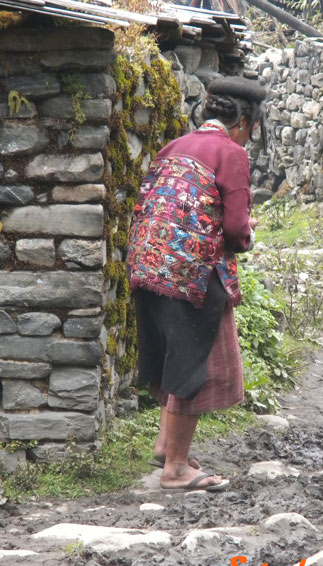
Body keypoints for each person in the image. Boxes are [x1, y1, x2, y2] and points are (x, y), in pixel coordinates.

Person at [126, 76, 267, 492]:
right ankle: (175, 469)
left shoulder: (175, 146)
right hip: (191, 275)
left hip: (149, 264)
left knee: (173, 355)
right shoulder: (231, 152)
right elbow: (237, 230)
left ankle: (167, 445)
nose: (251, 134)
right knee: (193, 365)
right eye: (254, 126)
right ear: (243, 120)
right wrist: (248, 233)